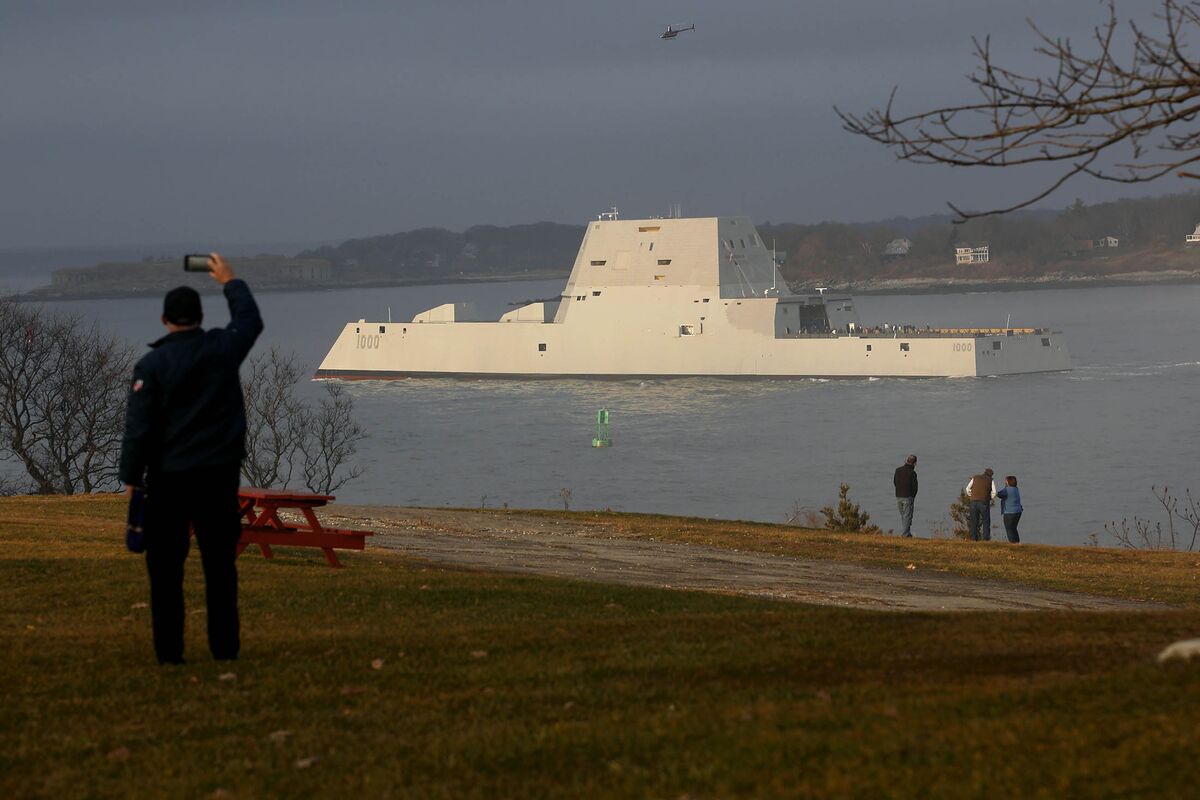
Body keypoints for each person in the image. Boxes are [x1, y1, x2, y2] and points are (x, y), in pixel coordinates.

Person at [118, 254, 263, 665]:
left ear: (165, 320)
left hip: (168, 481)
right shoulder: (221, 349)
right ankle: (224, 649)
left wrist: (131, 475)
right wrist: (229, 280)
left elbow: (138, 427)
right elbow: (249, 322)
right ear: (200, 317)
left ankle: (170, 652)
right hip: (218, 478)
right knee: (220, 568)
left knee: (165, 571)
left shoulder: (152, 364)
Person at [964, 468, 997, 542]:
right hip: (984, 502)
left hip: (973, 502)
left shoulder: (975, 477)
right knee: (986, 521)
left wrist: (971, 495)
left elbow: (967, 488)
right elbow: (994, 492)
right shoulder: (991, 480)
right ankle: (985, 539)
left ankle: (974, 538)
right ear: (991, 474)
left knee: (974, 521)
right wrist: (989, 498)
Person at [892, 454, 918, 537]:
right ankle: (904, 534)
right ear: (915, 463)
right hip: (908, 496)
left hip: (898, 496)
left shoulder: (898, 470)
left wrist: (899, 491)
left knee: (904, 516)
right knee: (907, 516)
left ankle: (907, 533)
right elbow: (915, 487)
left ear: (906, 461)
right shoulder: (912, 473)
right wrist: (913, 497)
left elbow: (895, 482)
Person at [996, 475, 1023, 543]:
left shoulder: (1007, 490)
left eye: (1006, 481)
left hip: (1009, 513)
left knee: (1009, 529)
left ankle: (1012, 544)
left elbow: (999, 494)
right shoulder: (1016, 489)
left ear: (1008, 482)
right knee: (1014, 528)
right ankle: (1017, 543)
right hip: (1018, 512)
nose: (1005, 482)